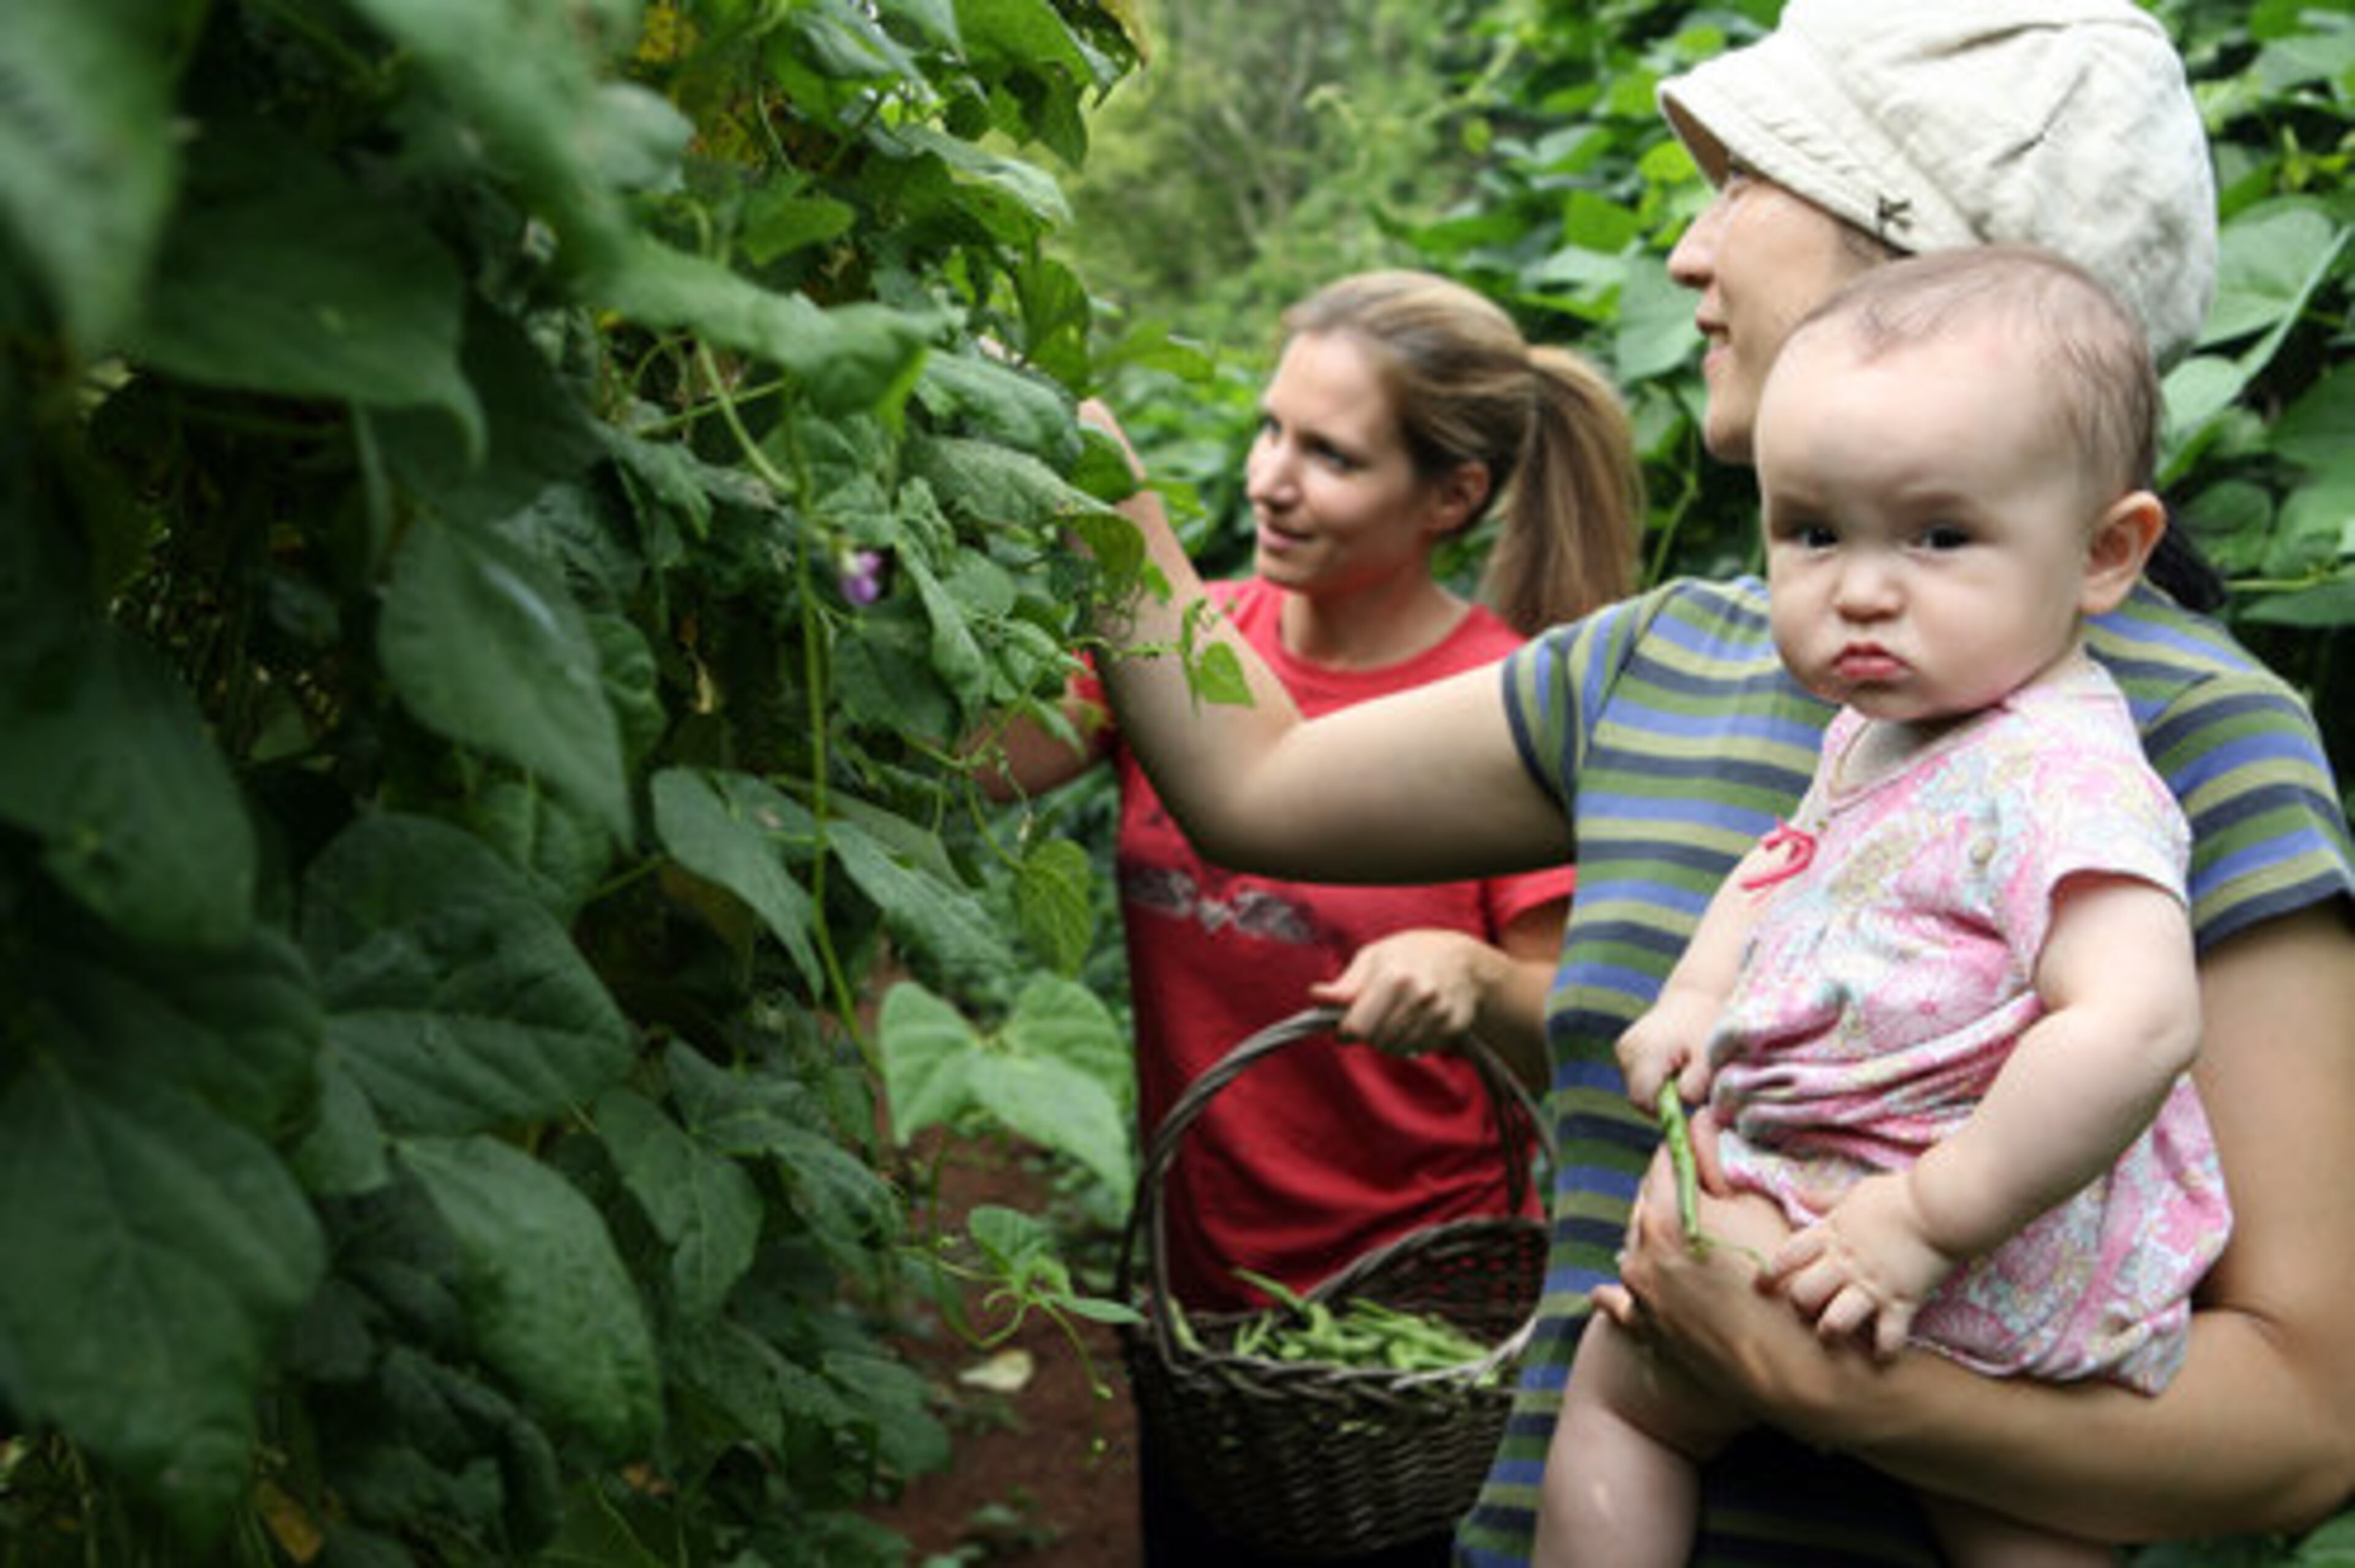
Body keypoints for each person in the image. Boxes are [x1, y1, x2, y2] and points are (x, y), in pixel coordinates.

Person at [1062, 4, 2355, 1566]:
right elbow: (1257, 780)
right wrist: (1077, 472)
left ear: (1929, 263)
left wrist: (1809, 1379)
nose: (1688, 253)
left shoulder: (2202, 736)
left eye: (1743, 186)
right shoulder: (1666, 658)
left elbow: (2303, 1419)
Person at [1541, 247, 2232, 1568]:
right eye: (1812, 530)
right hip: (1817, 1222)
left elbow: (2138, 1023)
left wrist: (1927, 1220)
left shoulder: (2066, 773)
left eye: (1938, 534)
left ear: (2104, 553)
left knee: (1626, 1404)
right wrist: (1695, 998)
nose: (1860, 585)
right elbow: (1788, 861)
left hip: (1966, 1237)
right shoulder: (1880, 735)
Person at [979, 268, 1644, 1566]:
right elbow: (965, 756)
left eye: (1331, 455)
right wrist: (893, 530)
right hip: (1200, 1312)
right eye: (1273, 430)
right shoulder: (1193, 649)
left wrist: (1466, 968)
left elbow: (1568, 1020)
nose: (1272, 479)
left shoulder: (1504, 707)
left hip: (1413, 1335)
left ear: (1450, 497)